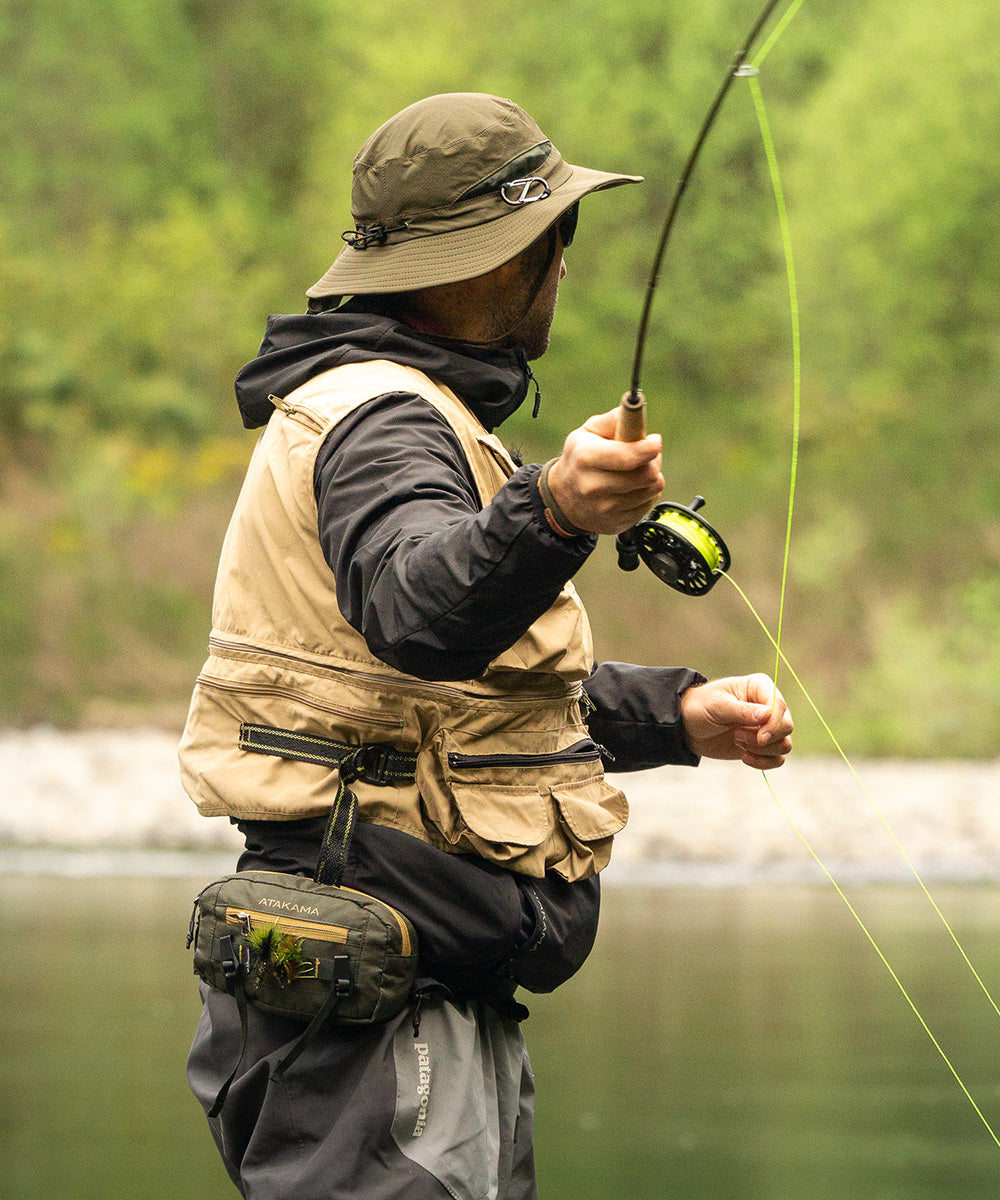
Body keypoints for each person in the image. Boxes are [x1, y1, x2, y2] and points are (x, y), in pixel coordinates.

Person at [179, 92, 793, 1200]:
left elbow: (450, 698)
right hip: (381, 1017)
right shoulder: (382, 421)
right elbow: (420, 613)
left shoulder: (389, 411)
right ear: (495, 258)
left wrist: (679, 716)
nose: (565, 267)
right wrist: (553, 508)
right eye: (555, 237)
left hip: (391, 993)